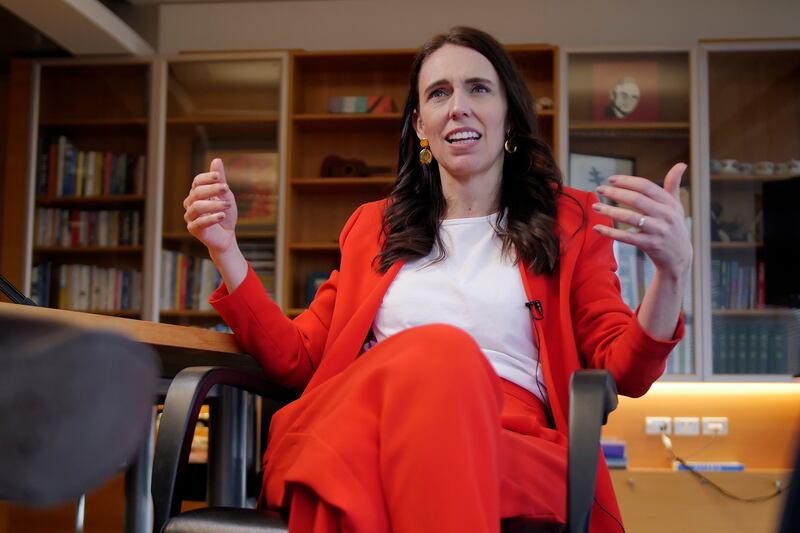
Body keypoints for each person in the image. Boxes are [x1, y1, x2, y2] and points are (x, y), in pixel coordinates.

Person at [182, 27, 691, 533]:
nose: (458, 107)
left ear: (509, 114)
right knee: (436, 357)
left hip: (507, 440)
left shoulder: (572, 221)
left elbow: (625, 371)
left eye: (478, 88)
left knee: (437, 367)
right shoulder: (371, 228)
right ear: (420, 125)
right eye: (439, 93)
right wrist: (226, 251)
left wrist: (672, 271)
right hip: (365, 423)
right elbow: (300, 358)